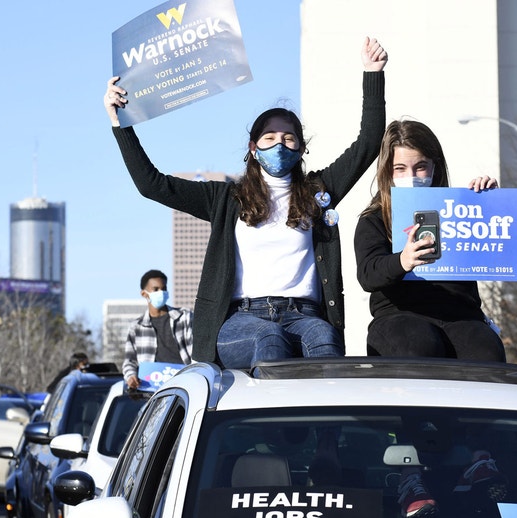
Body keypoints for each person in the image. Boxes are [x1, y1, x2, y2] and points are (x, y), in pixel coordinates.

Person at [104, 37, 388, 368]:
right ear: (253, 148)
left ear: (301, 149)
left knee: (324, 339)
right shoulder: (225, 198)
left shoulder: (317, 192)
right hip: (244, 318)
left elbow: (368, 143)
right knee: (269, 340)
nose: (279, 144)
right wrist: (119, 122)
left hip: (305, 315)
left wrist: (373, 74)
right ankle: (273, 419)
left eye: (288, 138)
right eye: (269, 138)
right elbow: (152, 185)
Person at [354, 119, 506, 361]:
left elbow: (499, 250)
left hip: (461, 316)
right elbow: (368, 274)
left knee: (486, 352)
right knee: (419, 346)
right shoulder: (375, 218)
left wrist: (489, 206)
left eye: (421, 167)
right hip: (399, 315)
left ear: (435, 166)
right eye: (400, 168)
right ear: (387, 171)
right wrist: (402, 261)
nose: (411, 176)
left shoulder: (458, 210)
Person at [123, 270, 193, 390]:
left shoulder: (184, 317)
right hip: (151, 392)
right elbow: (130, 361)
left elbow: (197, 353)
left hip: (184, 387)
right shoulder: (136, 327)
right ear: (144, 294)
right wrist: (131, 377)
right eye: (155, 289)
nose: (161, 293)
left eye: (163, 289)